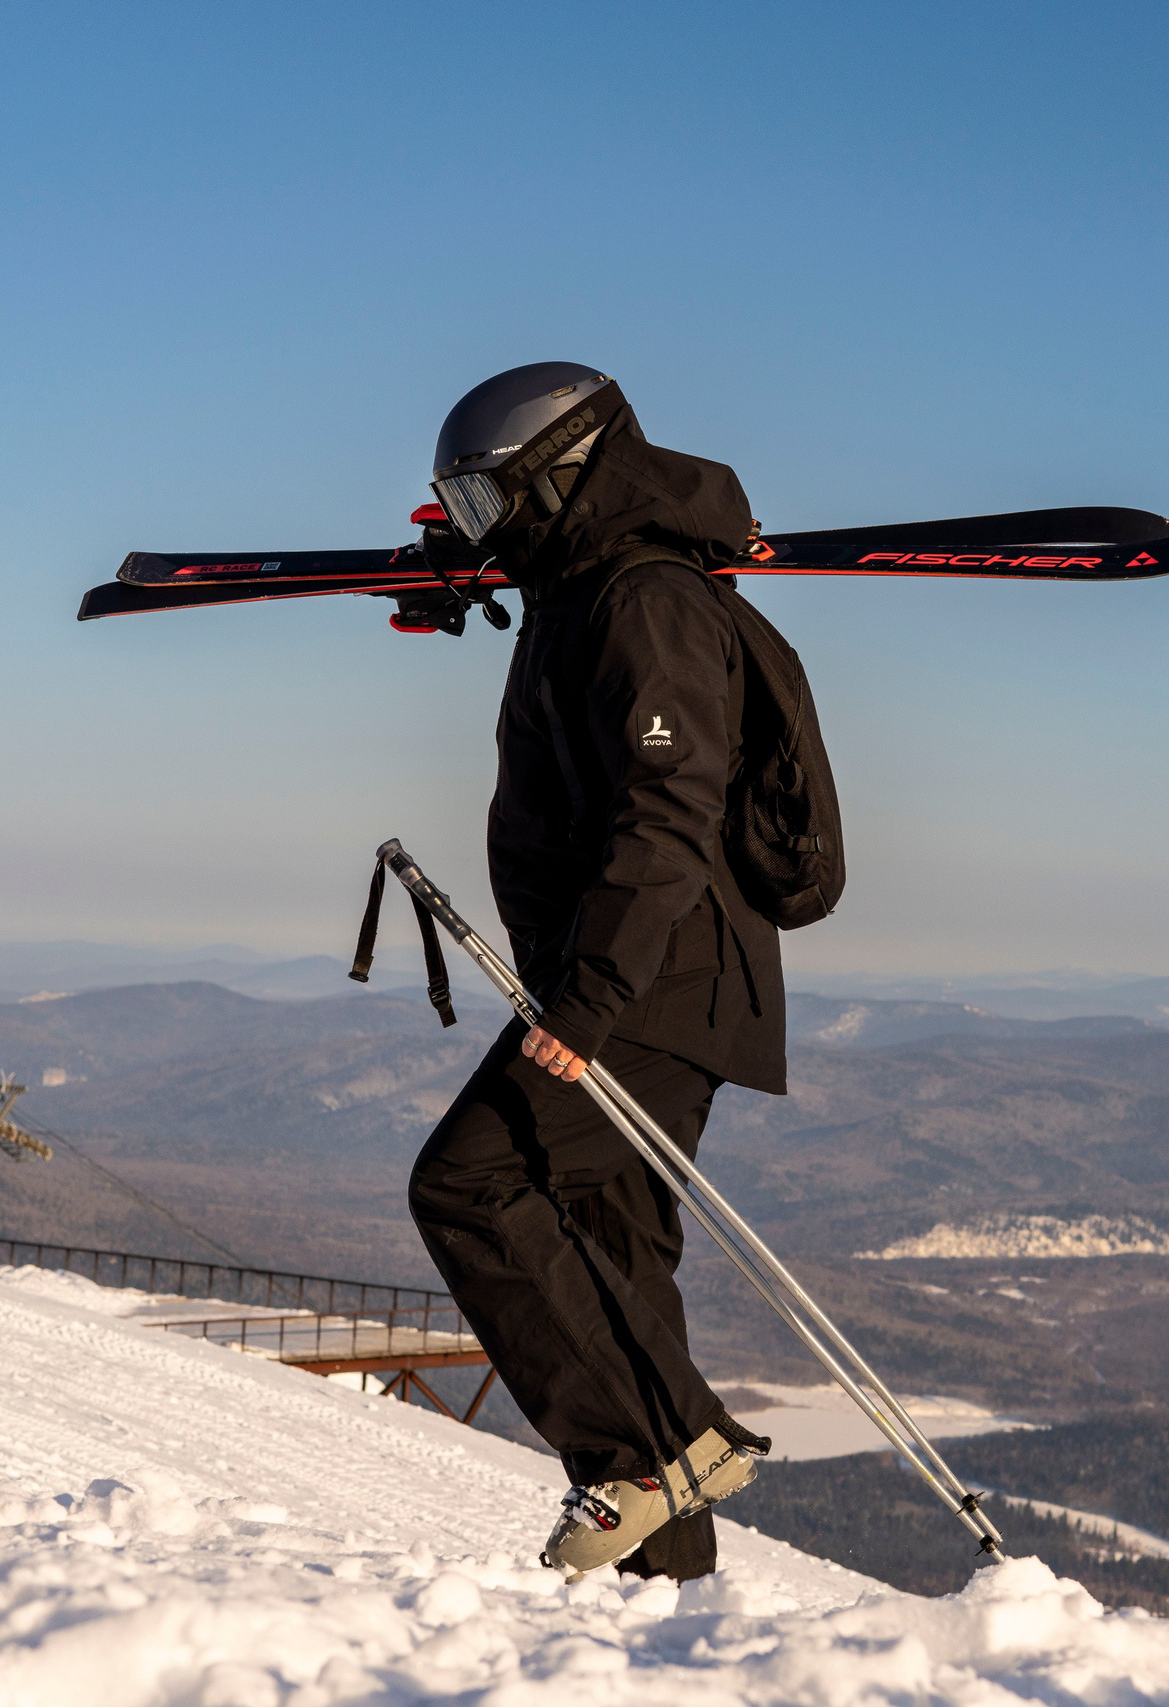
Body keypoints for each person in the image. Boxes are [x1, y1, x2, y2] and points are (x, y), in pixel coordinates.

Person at [404, 362, 786, 1583]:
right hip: (647, 978)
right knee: (614, 1260)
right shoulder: (583, 591)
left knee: (470, 1183)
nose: (476, 525)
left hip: (656, 984)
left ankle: (656, 1452)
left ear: (554, 476)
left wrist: (589, 1001)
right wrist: (463, 571)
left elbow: (666, 815)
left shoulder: (647, 603)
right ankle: (666, 1596)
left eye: (482, 500)